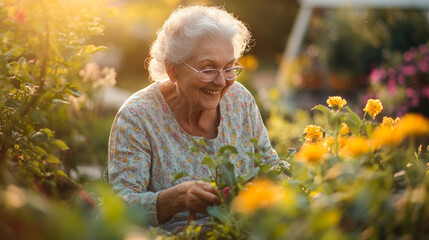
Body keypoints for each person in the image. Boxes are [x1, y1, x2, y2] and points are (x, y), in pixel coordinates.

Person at [107, 4, 280, 231]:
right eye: (208, 69)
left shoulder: (240, 100)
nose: (221, 82)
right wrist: (177, 198)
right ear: (172, 70)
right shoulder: (137, 117)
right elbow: (121, 208)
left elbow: (270, 167)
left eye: (229, 68)